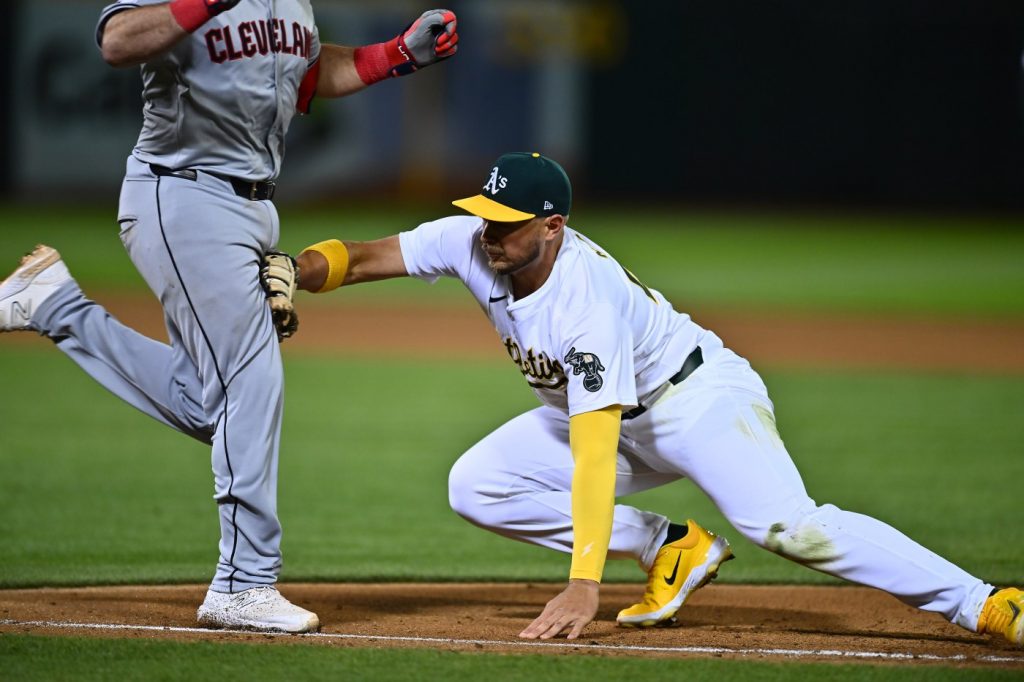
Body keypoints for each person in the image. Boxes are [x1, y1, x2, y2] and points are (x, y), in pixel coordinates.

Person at [268, 151, 1023, 645]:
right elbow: (367, 257)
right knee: (476, 484)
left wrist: (581, 587)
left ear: (553, 227)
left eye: (507, 224)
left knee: (788, 526)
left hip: (695, 403)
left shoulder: (583, 303)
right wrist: (292, 269)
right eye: (486, 216)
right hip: (612, 412)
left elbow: (595, 456)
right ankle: (671, 547)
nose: (488, 235)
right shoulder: (472, 239)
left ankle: (984, 602)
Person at [0, 1, 458, 633]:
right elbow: (116, 39)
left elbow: (300, 72)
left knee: (209, 400)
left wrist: (396, 55)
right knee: (251, 383)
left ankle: (53, 305)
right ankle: (243, 584)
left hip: (251, 208)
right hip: (182, 193)